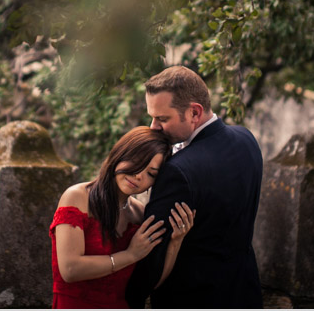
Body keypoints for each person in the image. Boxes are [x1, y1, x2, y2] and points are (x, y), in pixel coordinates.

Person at [125, 65, 264, 308]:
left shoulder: (177, 171)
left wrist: (132, 296)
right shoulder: (247, 139)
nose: (153, 126)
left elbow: (153, 254)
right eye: (152, 116)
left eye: (162, 118)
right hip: (245, 292)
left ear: (194, 113)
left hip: (191, 299)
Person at [50, 126, 196, 308]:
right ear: (120, 154)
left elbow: (150, 283)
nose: (138, 175)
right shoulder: (77, 197)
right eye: (136, 162)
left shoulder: (140, 215)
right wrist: (130, 255)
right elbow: (70, 269)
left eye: (151, 174)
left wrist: (176, 241)